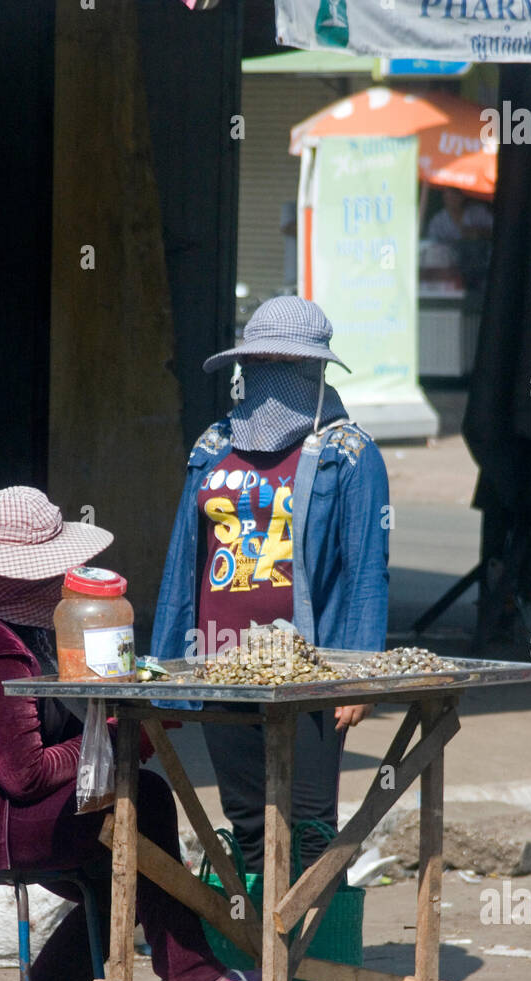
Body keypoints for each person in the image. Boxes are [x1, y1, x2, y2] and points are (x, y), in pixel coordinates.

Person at [0, 487, 262, 981]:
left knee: (116, 874)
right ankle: (191, 968)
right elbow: (26, 774)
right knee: (142, 800)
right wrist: (116, 739)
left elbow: (51, 740)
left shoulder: (16, 633)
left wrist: (116, 716)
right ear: (21, 579)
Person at [152, 297, 389, 874]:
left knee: (309, 826)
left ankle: (308, 955)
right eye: (257, 365)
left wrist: (358, 674)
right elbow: (185, 558)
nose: (269, 380)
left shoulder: (350, 455)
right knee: (249, 823)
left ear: (316, 372)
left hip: (310, 671)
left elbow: (366, 568)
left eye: (286, 367)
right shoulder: (212, 447)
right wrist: (164, 668)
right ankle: (261, 957)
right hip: (218, 661)